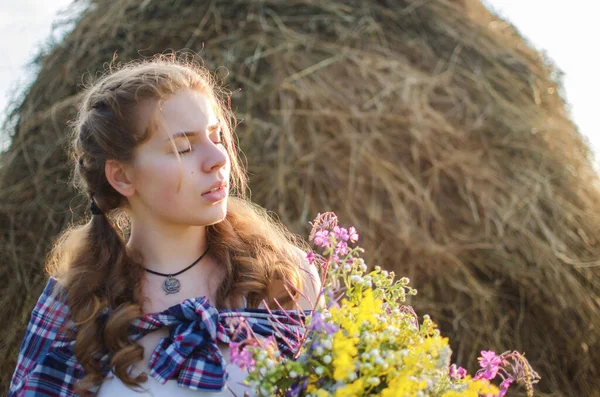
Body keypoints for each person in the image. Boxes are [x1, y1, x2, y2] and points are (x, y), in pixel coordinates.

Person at [8, 53, 322, 397]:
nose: (218, 159)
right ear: (122, 176)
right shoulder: (74, 305)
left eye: (217, 136)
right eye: (184, 148)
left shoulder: (285, 279)